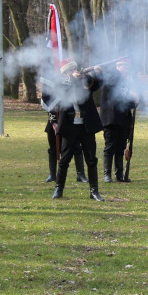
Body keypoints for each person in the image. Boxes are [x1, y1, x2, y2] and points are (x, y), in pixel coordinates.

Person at [51, 59, 104, 201]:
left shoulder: (85, 80)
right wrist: (73, 79)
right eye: (70, 70)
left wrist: (98, 73)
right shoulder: (62, 83)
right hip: (69, 126)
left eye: (74, 69)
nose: (74, 71)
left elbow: (97, 85)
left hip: (86, 126)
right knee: (64, 159)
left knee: (91, 159)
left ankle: (94, 191)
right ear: (65, 73)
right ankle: (58, 189)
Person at [40, 67, 88, 184]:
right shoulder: (56, 83)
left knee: (77, 148)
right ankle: (52, 174)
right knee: (53, 148)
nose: (73, 71)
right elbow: (49, 103)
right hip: (56, 121)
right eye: (71, 70)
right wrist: (53, 122)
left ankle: (80, 174)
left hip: (71, 120)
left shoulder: (76, 83)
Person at [100, 57, 140, 183]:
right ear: (118, 66)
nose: (126, 69)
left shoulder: (128, 80)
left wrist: (136, 100)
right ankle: (107, 174)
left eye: (128, 67)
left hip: (124, 119)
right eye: (124, 66)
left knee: (121, 148)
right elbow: (116, 88)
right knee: (110, 146)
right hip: (111, 118)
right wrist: (131, 92)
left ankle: (119, 174)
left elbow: (131, 101)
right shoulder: (111, 77)